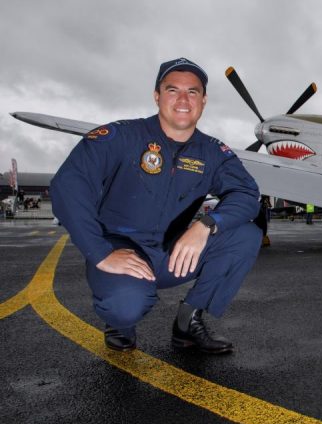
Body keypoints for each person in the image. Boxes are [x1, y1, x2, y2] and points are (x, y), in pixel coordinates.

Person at [51, 57, 261, 354]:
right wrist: (100, 253)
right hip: (121, 251)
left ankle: (188, 322)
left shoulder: (213, 152)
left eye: (192, 92)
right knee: (125, 305)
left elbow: (247, 193)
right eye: (173, 90)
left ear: (204, 100)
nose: (183, 100)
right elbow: (68, 185)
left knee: (246, 236)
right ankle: (120, 322)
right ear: (157, 95)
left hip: (173, 254)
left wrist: (207, 225)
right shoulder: (120, 136)